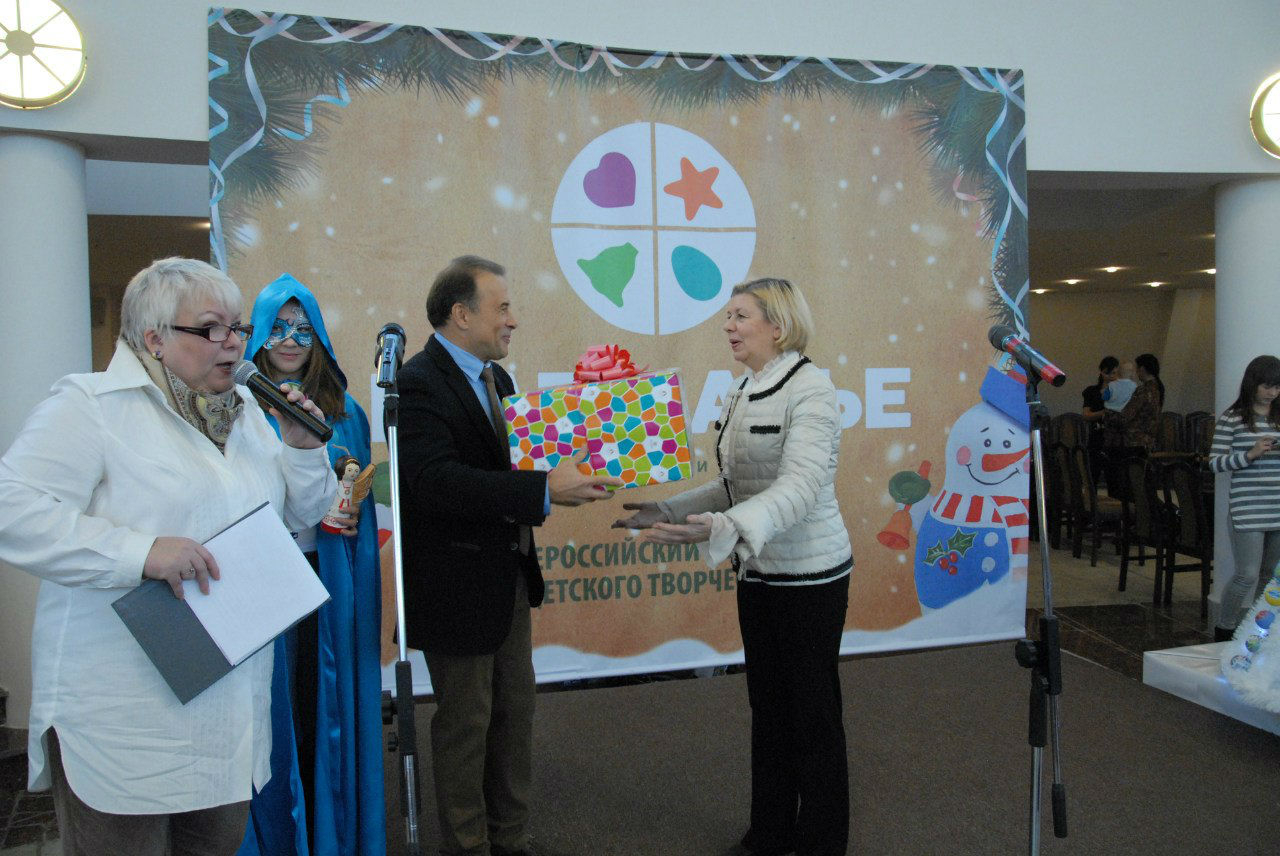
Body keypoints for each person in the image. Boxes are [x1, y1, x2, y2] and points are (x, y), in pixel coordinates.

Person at [0, 258, 335, 856]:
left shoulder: (249, 414)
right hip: (124, 711)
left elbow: (298, 516)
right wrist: (140, 552)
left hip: (226, 705)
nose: (234, 342)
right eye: (211, 328)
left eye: (237, 327)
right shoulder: (93, 405)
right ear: (154, 339)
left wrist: (305, 450)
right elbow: (14, 512)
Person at [614, 277, 853, 856]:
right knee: (767, 708)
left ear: (779, 324)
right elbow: (732, 483)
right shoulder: (743, 388)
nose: (728, 326)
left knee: (812, 714)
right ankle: (769, 833)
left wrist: (723, 528)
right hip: (758, 573)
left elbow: (800, 488)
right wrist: (666, 510)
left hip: (811, 579)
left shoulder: (812, 389)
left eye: (741, 316)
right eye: (728, 316)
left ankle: (822, 842)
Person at [396, 255, 621, 856]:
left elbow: (517, 472)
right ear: (461, 313)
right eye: (502, 308)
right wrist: (543, 490)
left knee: (514, 718)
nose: (513, 319)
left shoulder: (500, 381)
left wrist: (574, 472)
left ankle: (511, 839)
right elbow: (436, 482)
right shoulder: (417, 383)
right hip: (455, 589)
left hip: (510, 579)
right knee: (466, 727)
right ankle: (468, 847)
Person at [238, 274, 386, 855]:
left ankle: (328, 833)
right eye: (278, 328)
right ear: (258, 334)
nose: (289, 340)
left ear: (319, 336)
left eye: (303, 329)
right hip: (256, 581)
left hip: (323, 577)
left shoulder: (344, 412)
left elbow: (358, 495)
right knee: (266, 711)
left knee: (319, 706)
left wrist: (350, 516)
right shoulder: (237, 408)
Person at [1208, 355, 1280, 641]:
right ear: (1252, 384)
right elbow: (1215, 463)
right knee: (1246, 575)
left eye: (1277, 387)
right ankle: (1224, 630)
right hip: (1247, 507)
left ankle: (1257, 632)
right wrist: (1250, 454)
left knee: (1270, 576)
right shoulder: (1233, 418)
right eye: (1267, 386)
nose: (1272, 393)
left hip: (1277, 507)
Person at [1110, 352, 1163, 451]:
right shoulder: (1157, 389)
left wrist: (1109, 415)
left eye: (1136, 369)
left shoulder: (1143, 390)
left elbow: (1126, 415)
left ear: (1142, 369)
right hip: (1149, 442)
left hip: (1134, 442)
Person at [1082, 355, 1119, 451]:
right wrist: (1104, 412)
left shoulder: (1122, 392)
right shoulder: (1092, 391)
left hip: (1117, 438)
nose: (1111, 376)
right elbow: (1086, 415)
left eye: (1114, 373)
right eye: (1107, 373)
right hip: (1098, 436)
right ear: (1101, 372)